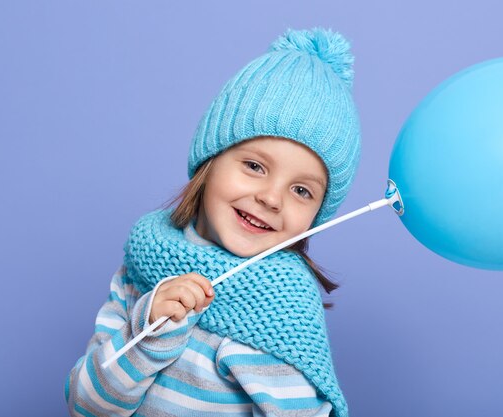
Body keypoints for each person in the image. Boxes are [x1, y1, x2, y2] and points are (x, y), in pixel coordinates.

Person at [65, 27, 361, 417]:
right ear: (210, 160)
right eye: (254, 166)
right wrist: (148, 332)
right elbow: (84, 406)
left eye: (301, 191)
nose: (271, 199)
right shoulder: (145, 265)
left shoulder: (282, 309)